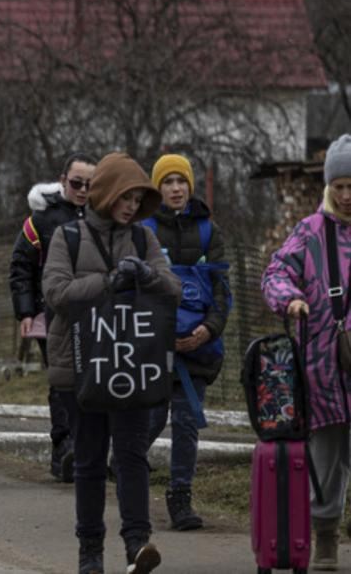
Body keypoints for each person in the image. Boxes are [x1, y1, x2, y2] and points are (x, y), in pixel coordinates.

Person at [43, 152, 178, 574]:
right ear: (106, 193)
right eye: (126, 197)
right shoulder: (67, 236)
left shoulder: (143, 239)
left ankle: (137, 545)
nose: (132, 206)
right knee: (88, 459)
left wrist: (146, 275)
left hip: (131, 365)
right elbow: (56, 293)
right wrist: (106, 284)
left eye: (138, 199)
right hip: (80, 366)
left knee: (132, 455)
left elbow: (172, 289)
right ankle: (90, 552)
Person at [263, 134, 351, 570]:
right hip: (322, 370)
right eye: (340, 186)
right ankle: (326, 540)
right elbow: (276, 272)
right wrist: (290, 299)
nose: (347, 195)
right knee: (326, 462)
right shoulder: (309, 232)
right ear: (328, 187)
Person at [138, 154, 229, 533]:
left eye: (181, 181)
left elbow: (223, 292)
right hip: (155, 347)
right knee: (153, 417)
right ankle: (125, 471)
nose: (175, 188)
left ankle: (180, 496)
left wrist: (208, 330)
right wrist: (162, 334)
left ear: (190, 186)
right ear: (157, 188)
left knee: (187, 423)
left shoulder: (210, 231)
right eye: (168, 182)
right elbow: (134, 289)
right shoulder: (143, 231)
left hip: (198, 349)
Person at [8, 152, 98, 482]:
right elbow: (20, 266)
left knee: (90, 378)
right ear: (63, 181)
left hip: (93, 313)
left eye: (90, 184)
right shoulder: (41, 220)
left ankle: (89, 445)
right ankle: (63, 447)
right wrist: (25, 311)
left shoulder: (102, 216)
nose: (83, 190)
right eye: (77, 183)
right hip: (52, 314)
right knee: (62, 380)